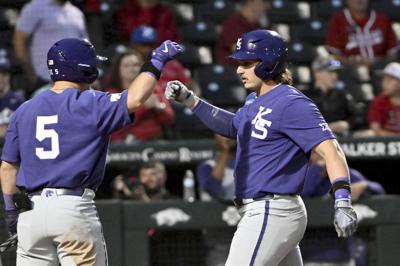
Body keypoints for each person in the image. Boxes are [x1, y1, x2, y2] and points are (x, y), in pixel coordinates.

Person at [165, 29, 358, 265]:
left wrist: (342, 201)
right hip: (267, 210)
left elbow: (332, 150)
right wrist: (190, 100)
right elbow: (233, 126)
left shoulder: (292, 102)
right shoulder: (253, 100)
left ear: (268, 63)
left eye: (246, 63)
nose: (238, 69)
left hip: (272, 209)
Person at [0, 38, 181, 264]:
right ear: (81, 67)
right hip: (71, 209)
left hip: (31, 214)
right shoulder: (90, 102)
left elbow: (8, 168)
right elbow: (135, 98)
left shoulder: (24, 109)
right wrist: (156, 61)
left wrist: (10, 213)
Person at [301, 151, 384, 266]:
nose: (322, 156)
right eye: (317, 153)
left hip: (342, 253)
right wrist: (317, 168)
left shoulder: (343, 175)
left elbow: (379, 190)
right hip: (311, 253)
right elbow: (302, 191)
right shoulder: (304, 174)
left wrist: (364, 186)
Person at [13, 0, 88, 94]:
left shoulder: (76, 13)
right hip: (43, 79)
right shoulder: (35, 7)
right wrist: (31, 75)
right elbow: (19, 39)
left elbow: (85, 48)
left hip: (74, 81)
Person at [105, 50, 174, 142]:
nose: (132, 69)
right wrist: (144, 107)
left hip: (155, 140)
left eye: (136, 65)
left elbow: (170, 118)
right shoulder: (112, 94)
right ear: (118, 70)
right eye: (126, 66)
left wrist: (159, 108)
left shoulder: (153, 88)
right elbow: (117, 125)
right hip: (124, 145)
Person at [325, 0, 398, 67]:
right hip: (348, 71)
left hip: (380, 70)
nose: (359, 1)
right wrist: (352, 64)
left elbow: (393, 53)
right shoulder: (337, 20)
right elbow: (333, 56)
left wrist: (379, 62)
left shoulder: (382, 19)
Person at [129, 25, 198, 94]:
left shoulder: (171, 64)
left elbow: (191, 86)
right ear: (134, 45)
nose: (148, 49)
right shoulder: (129, 66)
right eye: (143, 45)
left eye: (151, 45)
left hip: (174, 101)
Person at [303, 56, 355, 136]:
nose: (335, 76)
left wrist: (348, 124)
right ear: (317, 73)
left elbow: (355, 118)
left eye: (335, 72)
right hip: (313, 140)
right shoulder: (304, 96)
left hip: (341, 139)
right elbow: (301, 124)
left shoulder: (341, 95)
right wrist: (329, 127)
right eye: (330, 72)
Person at [217, 0, 269, 65]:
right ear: (252, 2)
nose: (267, 6)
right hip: (233, 70)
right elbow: (239, 49)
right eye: (264, 2)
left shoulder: (257, 25)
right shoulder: (233, 23)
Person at [115, 0, 179, 43]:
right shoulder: (126, 10)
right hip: (132, 49)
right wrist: (145, 10)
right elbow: (129, 34)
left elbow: (168, 38)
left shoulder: (164, 12)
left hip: (158, 52)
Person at [196, 134, 236, 201]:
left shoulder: (248, 164)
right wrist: (224, 152)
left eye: (231, 132)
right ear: (215, 138)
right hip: (214, 209)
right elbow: (214, 189)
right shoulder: (207, 166)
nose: (228, 137)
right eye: (222, 134)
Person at [367, 62, 400, 136]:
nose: (384, 83)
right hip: (386, 144)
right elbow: (376, 130)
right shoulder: (379, 102)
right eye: (384, 79)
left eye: (390, 80)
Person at [0, 57, 25, 137]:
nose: (1, 78)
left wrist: (9, 129)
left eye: (4, 74)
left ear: (9, 76)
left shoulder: (18, 100)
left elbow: (27, 127)